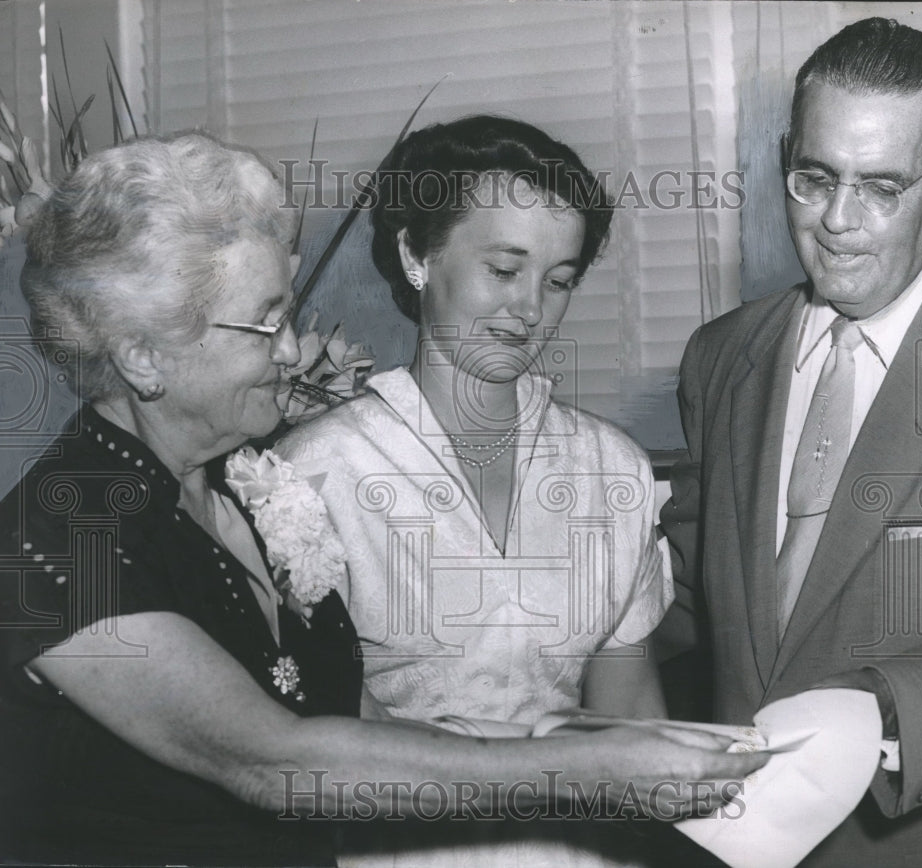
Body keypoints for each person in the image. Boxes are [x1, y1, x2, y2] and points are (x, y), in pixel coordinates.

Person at [0, 131, 764, 867]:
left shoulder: (242, 486)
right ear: (142, 355)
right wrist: (585, 772)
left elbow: (364, 723)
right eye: (263, 324)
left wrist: (631, 750)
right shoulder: (61, 538)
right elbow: (274, 762)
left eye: (285, 315)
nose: (293, 351)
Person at [277, 116, 675, 864]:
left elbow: (628, 722)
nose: (530, 310)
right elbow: (317, 742)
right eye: (503, 269)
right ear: (415, 255)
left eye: (558, 281)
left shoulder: (610, 470)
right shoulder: (317, 472)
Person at [660, 17, 922, 867]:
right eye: (814, 178)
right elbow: (689, 611)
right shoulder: (718, 357)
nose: (837, 221)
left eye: (881, 187)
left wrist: (880, 706)